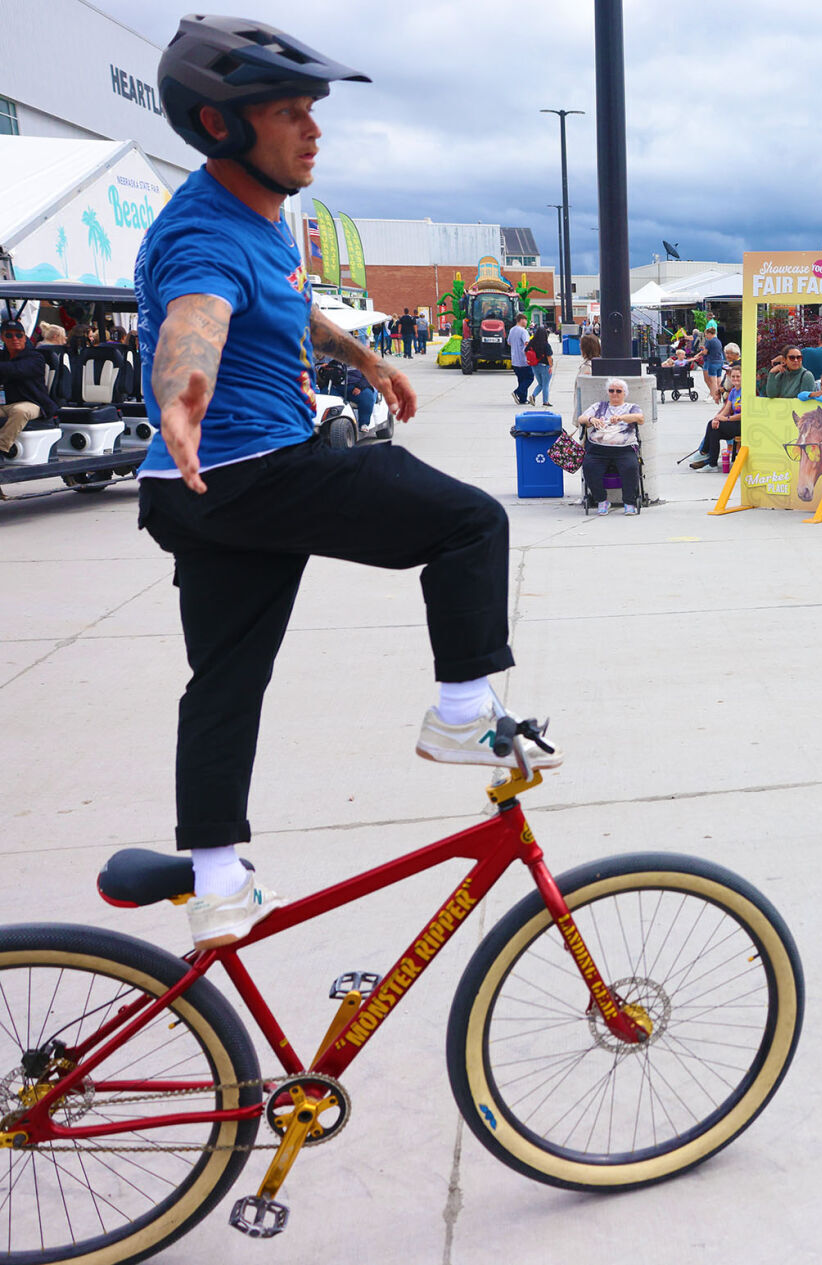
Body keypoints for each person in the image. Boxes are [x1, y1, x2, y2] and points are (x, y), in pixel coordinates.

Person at [136, 15, 560, 950]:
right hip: (256, 468)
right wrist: (181, 392)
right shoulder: (201, 234)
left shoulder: (263, 219)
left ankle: (215, 883)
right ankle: (459, 714)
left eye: (312, 111)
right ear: (221, 126)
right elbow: (194, 319)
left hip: (193, 493)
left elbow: (287, 308)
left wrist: (366, 357)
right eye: (290, 113)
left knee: (226, 681)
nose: (313, 130)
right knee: (469, 523)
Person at [577, 376, 643, 513]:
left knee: (631, 467)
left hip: (624, 448)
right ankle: (601, 500)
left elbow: (640, 418)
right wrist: (591, 419)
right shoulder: (599, 406)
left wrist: (621, 418)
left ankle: (629, 502)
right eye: (611, 390)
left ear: (624, 393)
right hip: (598, 448)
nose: (614, 394)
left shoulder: (631, 407)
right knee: (589, 467)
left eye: (618, 391)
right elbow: (581, 419)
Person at [0, 318, 58, 455]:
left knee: (20, 411)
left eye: (19, 335)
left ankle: (1, 449)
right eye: (9, 335)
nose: (15, 339)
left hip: (33, 403)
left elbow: (16, 370)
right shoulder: (2, 357)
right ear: (2, 337)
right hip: (6, 404)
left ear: (25, 337)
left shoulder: (35, 357)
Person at [697, 321, 725, 402]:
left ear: (710, 334)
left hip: (712, 362)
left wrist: (702, 351)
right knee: (719, 380)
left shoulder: (709, 341)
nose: (705, 336)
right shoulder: (718, 341)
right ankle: (720, 395)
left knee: (713, 381)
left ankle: (713, 396)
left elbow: (705, 352)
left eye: (706, 334)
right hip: (720, 361)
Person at [527, 322, 554, 405]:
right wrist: (551, 366)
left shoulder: (532, 342)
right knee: (545, 385)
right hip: (545, 366)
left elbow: (526, 350)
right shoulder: (546, 344)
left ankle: (533, 396)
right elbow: (549, 357)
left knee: (541, 384)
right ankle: (545, 401)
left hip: (534, 366)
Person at [507, 312, 531, 405]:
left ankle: (523, 399)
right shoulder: (523, 331)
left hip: (515, 359)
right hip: (523, 359)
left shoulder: (512, 330)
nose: (526, 322)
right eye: (525, 320)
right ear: (521, 320)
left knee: (521, 379)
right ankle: (517, 392)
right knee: (530, 377)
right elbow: (527, 343)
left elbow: (509, 342)